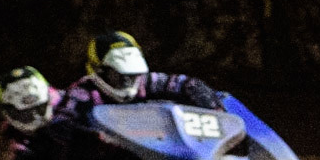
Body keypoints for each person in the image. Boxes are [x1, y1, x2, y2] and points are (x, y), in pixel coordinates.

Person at [63, 30, 220, 109]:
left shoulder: (146, 81)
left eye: (132, 75)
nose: (127, 81)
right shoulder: (80, 95)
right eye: (119, 75)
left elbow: (188, 84)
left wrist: (215, 109)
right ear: (99, 71)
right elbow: (59, 128)